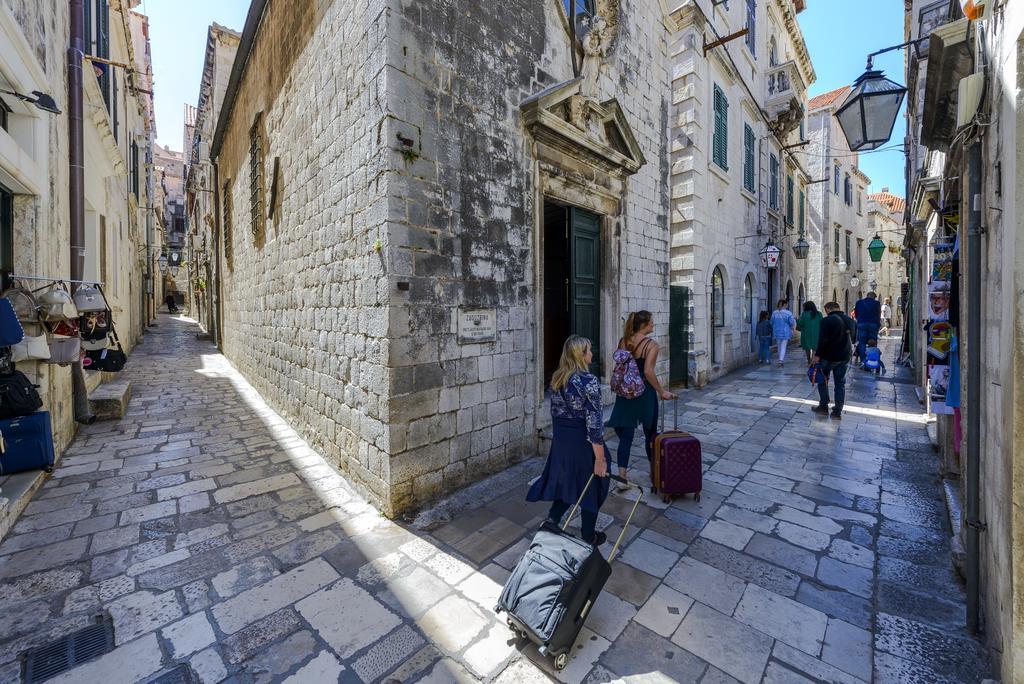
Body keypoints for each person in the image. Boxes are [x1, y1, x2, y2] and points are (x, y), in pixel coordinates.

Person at [527, 335, 610, 545]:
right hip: (583, 443)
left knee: (566, 481)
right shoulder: (588, 381)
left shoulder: (557, 378)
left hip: (563, 442)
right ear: (581, 355)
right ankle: (589, 535)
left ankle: (552, 519)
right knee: (593, 485)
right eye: (589, 350)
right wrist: (600, 459)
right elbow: (594, 423)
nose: (592, 353)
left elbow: (556, 413)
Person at [607, 311, 674, 488]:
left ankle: (622, 477)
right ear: (644, 325)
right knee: (650, 434)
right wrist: (661, 391)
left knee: (626, 436)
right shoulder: (651, 345)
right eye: (651, 323)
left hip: (626, 393)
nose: (653, 325)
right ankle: (654, 474)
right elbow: (648, 372)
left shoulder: (624, 341)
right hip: (644, 393)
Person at [812, 302, 853, 420]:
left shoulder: (827, 320)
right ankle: (837, 411)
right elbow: (854, 337)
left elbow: (822, 339)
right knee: (840, 383)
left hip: (828, 356)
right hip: (844, 356)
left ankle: (824, 405)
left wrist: (817, 355)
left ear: (828, 309)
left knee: (822, 380)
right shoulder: (849, 320)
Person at [853, 292, 881, 364]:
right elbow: (878, 314)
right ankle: (872, 358)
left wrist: (859, 320)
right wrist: (878, 324)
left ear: (867, 296)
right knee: (873, 342)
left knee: (862, 342)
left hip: (862, 323)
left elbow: (856, 313)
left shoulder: (859, 302)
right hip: (873, 324)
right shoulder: (877, 303)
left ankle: (863, 360)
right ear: (873, 297)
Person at [770, 299, 796, 367]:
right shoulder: (788, 313)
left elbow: (771, 322)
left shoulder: (774, 313)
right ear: (785, 304)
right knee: (783, 346)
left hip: (776, 331)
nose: (787, 305)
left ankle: (780, 359)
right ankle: (780, 361)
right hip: (785, 332)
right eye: (787, 304)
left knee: (779, 346)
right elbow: (791, 323)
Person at [796, 301, 823, 365]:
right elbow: (822, 323)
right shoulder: (819, 314)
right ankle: (813, 361)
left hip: (806, 333)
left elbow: (800, 323)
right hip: (816, 333)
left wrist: (797, 320)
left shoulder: (804, 314)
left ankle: (809, 360)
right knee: (815, 348)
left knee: (807, 348)